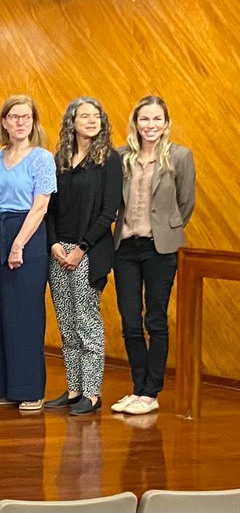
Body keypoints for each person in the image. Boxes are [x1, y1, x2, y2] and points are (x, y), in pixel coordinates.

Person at [111, 95, 195, 416]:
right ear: (136, 122)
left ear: (166, 123)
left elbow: (185, 204)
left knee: (155, 319)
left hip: (161, 249)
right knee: (130, 321)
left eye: (157, 119)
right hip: (125, 248)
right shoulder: (121, 156)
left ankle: (150, 392)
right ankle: (137, 389)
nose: (150, 125)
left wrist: (166, 229)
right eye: (144, 119)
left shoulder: (180, 156)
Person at [44, 97, 122, 416]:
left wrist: (80, 248)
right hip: (58, 251)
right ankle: (74, 388)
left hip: (88, 252)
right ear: (71, 123)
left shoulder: (110, 159)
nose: (91, 120)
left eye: (96, 116)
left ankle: (91, 392)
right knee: (67, 323)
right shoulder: (60, 159)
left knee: (87, 322)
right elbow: (48, 206)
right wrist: (53, 244)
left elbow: (109, 211)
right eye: (84, 116)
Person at [0, 95, 56, 412]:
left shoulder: (42, 158)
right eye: (14, 116)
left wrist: (17, 244)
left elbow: (40, 206)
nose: (20, 122)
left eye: (26, 117)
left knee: (24, 315)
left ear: (34, 122)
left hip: (27, 234)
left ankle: (29, 389)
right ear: (4, 121)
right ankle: (2, 387)